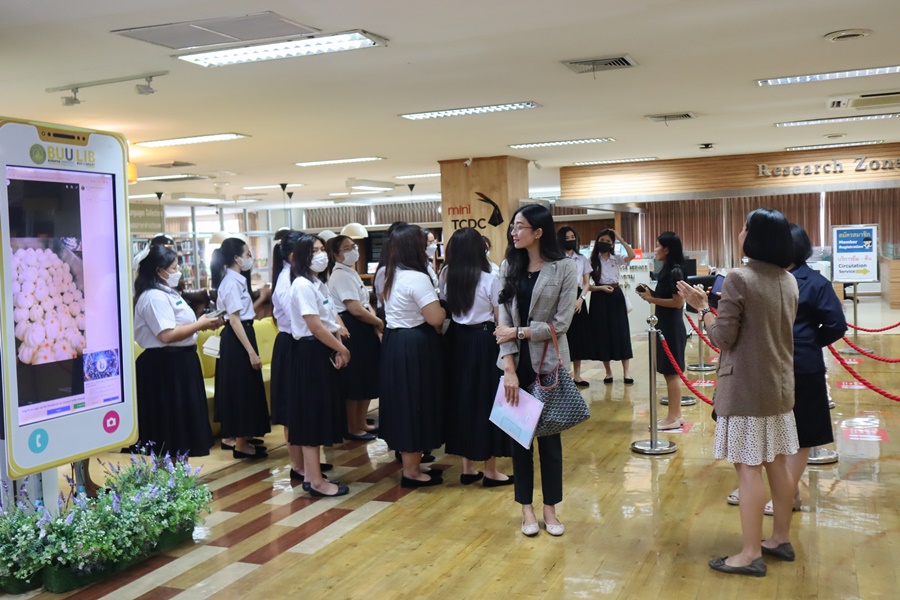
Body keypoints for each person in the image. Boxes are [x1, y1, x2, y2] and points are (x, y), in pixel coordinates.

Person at [677, 208, 799, 577]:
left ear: (754, 236)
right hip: (780, 386)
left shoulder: (739, 278)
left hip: (746, 388)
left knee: (747, 469)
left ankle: (749, 553)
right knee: (777, 463)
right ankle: (779, 538)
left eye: (745, 227)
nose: (740, 232)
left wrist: (703, 308)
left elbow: (723, 338)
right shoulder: (788, 279)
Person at [728, 224, 848, 513]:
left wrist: (806, 342)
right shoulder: (757, 277)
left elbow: (836, 324)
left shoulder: (814, 282)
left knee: (803, 432)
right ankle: (754, 485)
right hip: (761, 367)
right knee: (762, 428)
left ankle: (788, 493)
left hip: (801, 366)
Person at [494, 204, 578, 537]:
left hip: (549, 363)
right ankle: (526, 509)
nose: (514, 233)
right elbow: (503, 322)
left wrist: (518, 333)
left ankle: (550, 509)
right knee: (520, 439)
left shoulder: (564, 267)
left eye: (520, 227)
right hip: (515, 364)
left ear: (539, 232)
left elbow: (561, 323)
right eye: (513, 227)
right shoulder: (508, 266)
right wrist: (509, 368)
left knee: (550, 440)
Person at [440, 228, 512, 487]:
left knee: (462, 400)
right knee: (486, 401)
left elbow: (445, 308)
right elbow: (499, 318)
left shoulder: (447, 276)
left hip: (456, 340)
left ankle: (467, 468)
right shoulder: (489, 279)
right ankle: (491, 471)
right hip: (483, 341)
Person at [133, 244, 221, 456]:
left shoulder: (168, 293)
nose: (177, 272)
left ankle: (181, 472)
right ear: (159, 271)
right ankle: (169, 474)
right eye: (173, 268)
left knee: (183, 431)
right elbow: (166, 335)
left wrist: (203, 324)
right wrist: (199, 324)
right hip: (164, 367)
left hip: (181, 363)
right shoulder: (153, 297)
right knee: (169, 430)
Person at [380, 224, 447, 488]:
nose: (428, 247)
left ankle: (413, 464)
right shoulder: (416, 277)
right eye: (424, 243)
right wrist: (444, 310)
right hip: (414, 345)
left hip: (396, 341)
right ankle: (411, 472)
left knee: (405, 402)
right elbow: (435, 317)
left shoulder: (391, 273)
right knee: (415, 402)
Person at [288, 233, 351, 497]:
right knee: (311, 416)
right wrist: (342, 349)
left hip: (323, 349)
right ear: (302, 256)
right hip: (310, 352)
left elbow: (330, 320)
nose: (320, 255)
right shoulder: (302, 285)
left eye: (321, 249)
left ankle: (312, 476)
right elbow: (314, 327)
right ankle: (315, 481)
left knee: (319, 412)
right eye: (314, 251)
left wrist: (337, 344)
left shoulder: (317, 283)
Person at [211, 237, 271, 459]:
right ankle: (240, 444)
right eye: (247, 254)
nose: (250, 258)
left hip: (243, 334)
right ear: (237, 258)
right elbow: (235, 320)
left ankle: (243, 439)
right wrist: (251, 352)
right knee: (240, 390)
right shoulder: (230, 282)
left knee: (246, 388)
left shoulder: (237, 280)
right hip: (237, 339)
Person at [327, 234, 383, 441]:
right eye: (346, 248)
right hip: (352, 327)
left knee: (366, 377)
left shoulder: (350, 272)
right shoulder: (340, 275)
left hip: (364, 326)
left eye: (353, 246)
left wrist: (375, 323)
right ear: (336, 255)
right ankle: (352, 426)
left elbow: (365, 304)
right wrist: (379, 323)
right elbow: (355, 309)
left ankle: (361, 422)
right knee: (355, 380)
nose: (353, 251)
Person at [636, 232, 688, 430]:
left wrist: (651, 299)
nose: (655, 249)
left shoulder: (675, 271)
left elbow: (677, 302)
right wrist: (650, 294)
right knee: (669, 373)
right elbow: (666, 297)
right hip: (665, 325)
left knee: (671, 373)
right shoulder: (667, 270)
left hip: (671, 328)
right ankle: (677, 415)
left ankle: (672, 417)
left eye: (657, 245)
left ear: (666, 249)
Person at [270, 230, 307, 478]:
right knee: (292, 409)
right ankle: (298, 466)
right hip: (290, 344)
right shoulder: (286, 280)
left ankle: (307, 464)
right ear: (294, 255)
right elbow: (296, 318)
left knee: (302, 407)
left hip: (299, 341)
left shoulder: (298, 277)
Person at [588, 228, 636, 384]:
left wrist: (621, 239)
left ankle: (626, 372)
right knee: (602, 334)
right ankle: (608, 372)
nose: (604, 243)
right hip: (599, 296)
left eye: (608, 241)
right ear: (597, 242)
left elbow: (632, 255)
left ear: (612, 244)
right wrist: (600, 288)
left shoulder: (617, 258)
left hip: (616, 295)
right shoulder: (591, 261)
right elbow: (586, 285)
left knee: (621, 332)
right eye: (602, 240)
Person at [557, 226, 594, 386]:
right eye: (567, 238)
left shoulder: (582, 258)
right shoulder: (557, 258)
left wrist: (581, 299)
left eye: (572, 237)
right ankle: (564, 374)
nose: (570, 240)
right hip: (562, 296)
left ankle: (578, 375)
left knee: (578, 337)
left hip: (579, 297)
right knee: (564, 335)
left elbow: (586, 283)